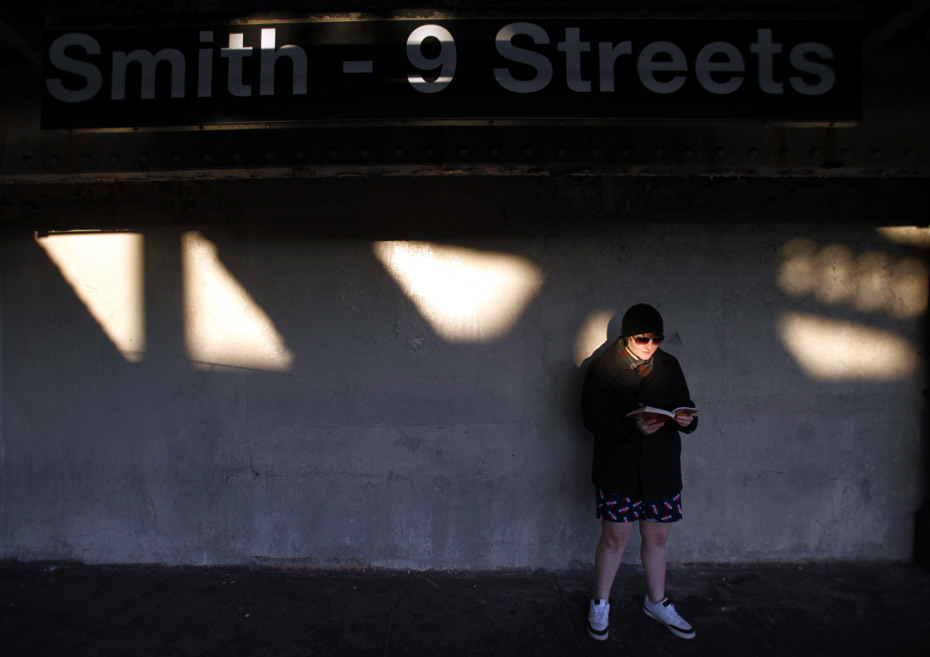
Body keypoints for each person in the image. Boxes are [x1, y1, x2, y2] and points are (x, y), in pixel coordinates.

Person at [581, 303, 698, 641]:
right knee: (615, 538)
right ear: (626, 336)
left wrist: (687, 421)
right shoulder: (601, 368)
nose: (650, 345)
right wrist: (633, 428)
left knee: (657, 539)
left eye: (656, 339)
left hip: (661, 467)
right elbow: (592, 420)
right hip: (620, 468)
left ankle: (656, 602)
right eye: (642, 339)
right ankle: (601, 602)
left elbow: (685, 405)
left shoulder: (669, 365)